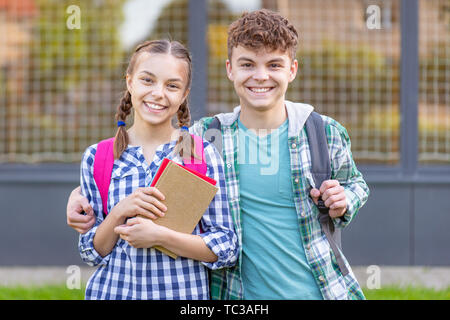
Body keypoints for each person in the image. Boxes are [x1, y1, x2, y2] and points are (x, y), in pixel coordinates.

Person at [67, 10, 369, 300]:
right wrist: (79, 195)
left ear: (292, 69)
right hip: (238, 294)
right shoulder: (208, 136)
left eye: (274, 65)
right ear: (230, 69)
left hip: (318, 290)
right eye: (248, 64)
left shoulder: (321, 132)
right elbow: (141, 158)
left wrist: (343, 199)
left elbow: (356, 184)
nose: (261, 76)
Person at [76, 39, 238, 300]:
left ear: (184, 94)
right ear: (130, 82)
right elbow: (91, 252)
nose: (158, 93)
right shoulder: (98, 157)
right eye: (147, 80)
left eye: (172, 85)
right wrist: (119, 212)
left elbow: (226, 247)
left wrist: (160, 236)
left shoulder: (199, 155)